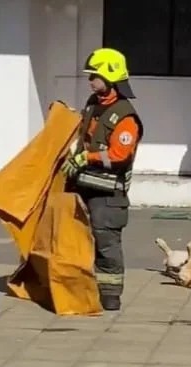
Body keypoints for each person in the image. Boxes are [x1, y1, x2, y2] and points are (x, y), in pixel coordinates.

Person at [60, 48, 143, 311]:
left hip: (108, 195)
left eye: (93, 75)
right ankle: (82, 287)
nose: (89, 81)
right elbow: (84, 134)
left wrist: (88, 158)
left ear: (109, 77)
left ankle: (110, 295)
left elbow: (119, 155)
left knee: (106, 243)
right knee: (77, 239)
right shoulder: (93, 104)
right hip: (84, 186)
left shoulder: (125, 116)